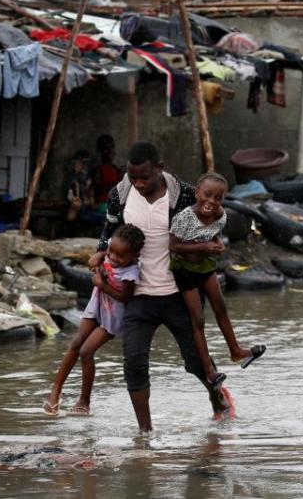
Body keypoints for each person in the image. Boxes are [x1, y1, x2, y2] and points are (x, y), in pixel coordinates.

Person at [88, 141, 234, 432]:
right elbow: (110, 230)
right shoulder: (120, 194)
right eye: (133, 177)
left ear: (160, 169)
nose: (139, 183)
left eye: (145, 177)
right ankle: (145, 434)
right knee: (134, 365)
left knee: (195, 362)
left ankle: (218, 400)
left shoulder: (185, 195)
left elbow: (209, 228)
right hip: (139, 295)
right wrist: (101, 250)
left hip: (178, 292)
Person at [168, 172, 265, 388]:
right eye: (207, 195)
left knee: (221, 306)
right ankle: (209, 371)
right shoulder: (184, 217)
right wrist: (203, 246)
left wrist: (217, 244)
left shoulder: (221, 216)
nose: (211, 201)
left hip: (205, 265)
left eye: (218, 198)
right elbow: (173, 247)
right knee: (198, 319)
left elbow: (213, 233)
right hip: (184, 269)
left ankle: (236, 351)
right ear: (197, 193)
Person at [44, 224, 145, 417]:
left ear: (134, 256)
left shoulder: (130, 273)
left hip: (113, 315)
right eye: (111, 252)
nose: (113, 258)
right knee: (75, 343)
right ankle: (55, 391)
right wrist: (99, 259)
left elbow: (125, 297)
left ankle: (84, 400)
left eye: (120, 256)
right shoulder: (112, 248)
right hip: (97, 302)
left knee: (86, 351)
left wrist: (102, 284)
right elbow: (96, 258)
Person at [66, 149, 104, 224]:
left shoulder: (88, 179)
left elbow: (90, 192)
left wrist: (90, 201)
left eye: (85, 164)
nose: (83, 166)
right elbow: (70, 194)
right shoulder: (74, 179)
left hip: (87, 206)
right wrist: (74, 199)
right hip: (80, 207)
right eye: (80, 163)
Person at [91, 134, 123, 212]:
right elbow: (97, 192)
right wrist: (116, 183)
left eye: (112, 147)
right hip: (103, 204)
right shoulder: (97, 170)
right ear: (100, 152)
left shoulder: (116, 169)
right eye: (106, 148)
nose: (110, 151)